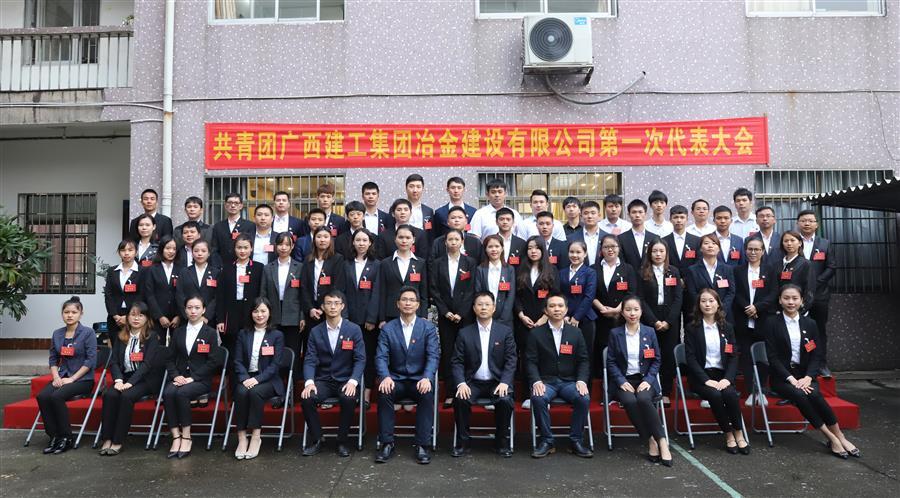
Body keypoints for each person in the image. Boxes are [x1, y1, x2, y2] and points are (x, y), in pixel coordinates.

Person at [763, 285, 859, 459]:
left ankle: (840, 436)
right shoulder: (771, 323)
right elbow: (773, 357)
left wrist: (808, 377)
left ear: (802, 301)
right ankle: (830, 437)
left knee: (814, 394)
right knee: (800, 395)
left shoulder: (810, 323)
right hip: (783, 378)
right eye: (786, 298)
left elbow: (816, 355)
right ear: (780, 300)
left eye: (795, 298)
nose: (790, 302)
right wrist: (791, 379)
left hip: (805, 375)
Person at [375, 287, 441, 465]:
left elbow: (433, 356)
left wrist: (427, 377)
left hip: (419, 379)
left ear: (418, 305)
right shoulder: (388, 328)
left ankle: (422, 445)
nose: (408, 303)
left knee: (427, 393)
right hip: (395, 379)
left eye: (412, 300)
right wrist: (385, 376)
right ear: (398, 304)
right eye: (404, 300)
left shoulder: (428, 328)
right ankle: (387, 443)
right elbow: (381, 356)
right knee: (384, 392)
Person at [606, 296, 673, 466]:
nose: (632, 313)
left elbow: (656, 360)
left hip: (645, 380)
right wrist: (621, 381)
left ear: (641, 311)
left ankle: (662, 441)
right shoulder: (615, 333)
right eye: (628, 309)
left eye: (636, 309)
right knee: (630, 401)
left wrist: (649, 380)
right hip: (624, 381)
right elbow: (611, 362)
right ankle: (650, 440)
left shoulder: (649, 332)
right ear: (622, 312)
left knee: (643, 399)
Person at [450, 292, 517, 458]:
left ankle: (501, 442)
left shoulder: (505, 332)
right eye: (480, 304)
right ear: (474, 308)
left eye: (487, 304)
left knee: (505, 400)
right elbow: (457, 361)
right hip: (473, 382)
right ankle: (463, 443)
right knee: (460, 399)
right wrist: (461, 383)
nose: (484, 307)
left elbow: (511, 360)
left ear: (494, 308)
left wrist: (505, 382)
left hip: (497, 381)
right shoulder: (465, 333)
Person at [300, 291, 366, 458]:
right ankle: (318, 439)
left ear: (342, 306)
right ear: (323, 307)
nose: (333, 306)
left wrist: (353, 381)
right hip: (324, 380)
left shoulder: (354, 329)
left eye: (336, 303)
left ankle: (342, 441)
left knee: (348, 398)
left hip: (346, 379)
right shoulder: (315, 331)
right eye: (329, 303)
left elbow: (360, 359)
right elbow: (309, 359)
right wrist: (309, 382)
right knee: (307, 398)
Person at [526, 294, 592, 458]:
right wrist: (536, 381)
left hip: (569, 382)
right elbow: (530, 361)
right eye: (552, 306)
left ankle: (576, 441)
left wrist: (581, 380)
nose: (557, 309)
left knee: (583, 398)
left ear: (566, 309)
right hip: (546, 381)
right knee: (538, 398)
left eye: (560, 306)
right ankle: (547, 441)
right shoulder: (536, 333)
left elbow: (583, 360)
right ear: (545, 310)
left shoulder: (576, 332)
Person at [683, 289, 748, 454]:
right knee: (715, 395)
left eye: (711, 301)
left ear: (718, 304)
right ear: (698, 305)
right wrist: (706, 380)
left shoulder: (727, 327)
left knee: (730, 394)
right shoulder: (692, 328)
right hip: (702, 377)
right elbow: (690, 358)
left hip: (722, 376)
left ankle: (739, 432)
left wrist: (728, 379)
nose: (707, 304)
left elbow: (733, 356)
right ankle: (728, 433)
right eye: (703, 301)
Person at [164, 296, 224, 459]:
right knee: (168, 393)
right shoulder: (179, 332)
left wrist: (194, 377)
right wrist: (176, 376)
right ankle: (176, 436)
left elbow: (213, 361)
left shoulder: (210, 333)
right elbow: (169, 359)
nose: (193, 311)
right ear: (185, 310)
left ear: (203, 310)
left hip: (200, 380)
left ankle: (186, 436)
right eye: (189, 307)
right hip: (180, 377)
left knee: (182, 393)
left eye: (197, 308)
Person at [99, 301, 163, 455]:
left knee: (126, 396)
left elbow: (147, 364)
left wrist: (131, 383)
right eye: (133, 315)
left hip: (145, 379)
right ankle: (107, 438)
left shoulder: (152, 337)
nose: (136, 318)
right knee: (109, 394)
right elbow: (114, 362)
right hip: (124, 378)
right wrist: (119, 380)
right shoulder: (120, 336)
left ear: (147, 318)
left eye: (141, 315)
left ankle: (117, 440)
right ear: (127, 317)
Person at [37, 297, 97, 454]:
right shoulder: (57, 333)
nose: (70, 315)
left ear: (81, 314)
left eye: (74, 312)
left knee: (56, 396)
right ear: (62, 314)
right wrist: (56, 377)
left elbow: (91, 360)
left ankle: (66, 437)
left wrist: (72, 379)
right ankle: (54, 436)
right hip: (62, 376)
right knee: (43, 396)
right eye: (66, 312)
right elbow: (53, 359)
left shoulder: (88, 333)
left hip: (82, 379)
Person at [231, 298, 285, 460]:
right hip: (247, 377)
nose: (259, 315)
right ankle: (242, 438)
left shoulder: (277, 335)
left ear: (270, 313)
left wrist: (257, 379)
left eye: (263, 311)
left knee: (255, 392)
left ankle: (256, 437)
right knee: (240, 392)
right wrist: (245, 378)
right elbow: (237, 361)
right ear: (251, 313)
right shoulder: (243, 334)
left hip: (268, 380)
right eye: (255, 311)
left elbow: (275, 365)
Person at [430, 229, 477, 404]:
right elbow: (434, 289)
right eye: (450, 239)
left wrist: (461, 313)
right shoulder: (437, 263)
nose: (453, 242)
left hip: (465, 315)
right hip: (446, 316)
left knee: (467, 351)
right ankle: (451, 392)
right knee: (448, 352)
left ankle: (468, 388)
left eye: (457, 239)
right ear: (445, 242)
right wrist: (445, 312)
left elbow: (472, 289)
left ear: (462, 241)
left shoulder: (470, 262)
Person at [637, 240, 683, 405]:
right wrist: (654, 321)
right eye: (654, 251)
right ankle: (650, 389)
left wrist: (669, 321)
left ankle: (666, 391)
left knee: (668, 355)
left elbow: (678, 298)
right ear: (649, 253)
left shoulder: (674, 271)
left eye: (661, 251)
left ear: (666, 253)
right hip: (650, 317)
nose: (658, 254)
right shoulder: (642, 272)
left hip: (670, 318)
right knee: (650, 354)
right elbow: (641, 299)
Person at [733, 238, 778, 406]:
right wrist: (747, 307)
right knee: (746, 357)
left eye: (757, 249)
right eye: (750, 249)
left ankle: (762, 391)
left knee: (763, 357)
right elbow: (735, 292)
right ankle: (751, 392)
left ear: (763, 251)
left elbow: (774, 293)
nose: (753, 252)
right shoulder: (737, 270)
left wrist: (757, 307)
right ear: (745, 250)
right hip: (743, 319)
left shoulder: (770, 270)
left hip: (764, 319)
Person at [796, 209, 837, 377]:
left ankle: (821, 363)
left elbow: (831, 267)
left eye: (810, 221)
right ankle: (800, 364)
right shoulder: (792, 241)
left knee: (819, 330)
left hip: (820, 296)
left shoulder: (824, 244)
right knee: (797, 330)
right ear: (798, 223)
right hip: (796, 297)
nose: (807, 223)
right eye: (803, 220)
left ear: (816, 224)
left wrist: (815, 283)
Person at [514, 236, 560, 379]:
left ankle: (544, 388)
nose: (533, 251)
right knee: (526, 356)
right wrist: (521, 315)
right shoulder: (520, 269)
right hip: (524, 321)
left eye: (537, 248)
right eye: (530, 248)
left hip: (545, 320)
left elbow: (555, 295)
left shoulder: (552, 270)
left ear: (543, 250)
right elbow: (515, 296)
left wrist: (545, 317)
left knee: (544, 355)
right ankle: (527, 390)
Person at [343, 228, 380, 402]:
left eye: (365, 240)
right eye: (358, 240)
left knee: (368, 355)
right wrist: (344, 317)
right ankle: (352, 389)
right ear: (353, 242)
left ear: (370, 243)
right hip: (349, 318)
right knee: (350, 355)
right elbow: (341, 291)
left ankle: (366, 392)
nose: (361, 243)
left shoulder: (377, 264)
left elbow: (377, 293)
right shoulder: (346, 264)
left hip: (368, 321)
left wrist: (372, 318)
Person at [260, 232, 305, 375]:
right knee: (273, 350)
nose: (283, 248)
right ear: (275, 246)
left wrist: (302, 316)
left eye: (287, 244)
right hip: (273, 314)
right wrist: (264, 315)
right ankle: (274, 380)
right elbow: (263, 293)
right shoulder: (268, 268)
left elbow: (304, 294)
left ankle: (292, 381)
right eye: (280, 244)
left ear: (292, 247)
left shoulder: (300, 267)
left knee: (293, 350)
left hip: (293, 315)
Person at [216, 234, 264, 359]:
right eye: (239, 247)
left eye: (246, 247)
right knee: (231, 345)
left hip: (251, 311)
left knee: (249, 345)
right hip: (231, 312)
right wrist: (220, 319)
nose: (242, 251)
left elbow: (262, 293)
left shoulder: (259, 268)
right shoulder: (226, 268)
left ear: (251, 248)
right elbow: (220, 295)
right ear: (234, 249)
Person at [300, 226, 347, 350]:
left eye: (326, 237)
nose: (322, 240)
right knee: (310, 345)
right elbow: (303, 286)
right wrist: (310, 308)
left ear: (330, 240)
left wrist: (323, 307)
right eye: (319, 237)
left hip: (329, 309)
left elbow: (337, 286)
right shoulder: (308, 259)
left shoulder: (337, 259)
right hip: (311, 310)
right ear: (314, 239)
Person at [592, 235, 639, 356]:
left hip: (621, 316)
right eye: (606, 247)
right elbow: (591, 293)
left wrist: (618, 309)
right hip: (600, 315)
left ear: (619, 248)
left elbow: (631, 292)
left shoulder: (628, 268)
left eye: (613, 246)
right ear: (601, 249)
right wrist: (602, 308)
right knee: (601, 349)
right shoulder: (593, 268)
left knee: (621, 348)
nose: (610, 249)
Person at [375, 225, 428, 326]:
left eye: (408, 238)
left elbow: (423, 292)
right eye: (400, 237)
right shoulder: (385, 263)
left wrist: (424, 315)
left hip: (414, 314)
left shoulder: (420, 263)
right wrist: (382, 318)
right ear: (395, 239)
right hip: (390, 314)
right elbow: (382, 291)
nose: (404, 241)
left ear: (413, 240)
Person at [559, 241, 598, 377]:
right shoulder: (562, 272)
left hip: (585, 319)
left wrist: (576, 317)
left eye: (578, 252)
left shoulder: (590, 272)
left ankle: (585, 383)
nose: (574, 255)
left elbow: (589, 297)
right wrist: (565, 315)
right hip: (565, 319)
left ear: (585, 254)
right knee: (567, 352)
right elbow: (560, 295)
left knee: (585, 353)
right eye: (572, 252)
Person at [685, 234, 736, 323]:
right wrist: (706, 309)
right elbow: (692, 293)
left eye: (714, 243)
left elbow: (731, 292)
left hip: (724, 315)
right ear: (700, 248)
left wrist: (721, 309)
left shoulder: (727, 269)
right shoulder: (692, 270)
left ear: (719, 248)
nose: (710, 246)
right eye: (706, 243)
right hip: (701, 316)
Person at [143, 236, 183, 341]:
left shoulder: (182, 270)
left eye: (174, 249)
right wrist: (160, 316)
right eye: (168, 248)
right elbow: (149, 294)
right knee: (156, 346)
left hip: (177, 317)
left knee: (177, 346)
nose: (171, 251)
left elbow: (184, 293)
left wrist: (179, 315)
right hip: (157, 316)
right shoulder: (152, 269)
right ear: (161, 249)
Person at [474, 234, 516, 329]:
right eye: (490, 247)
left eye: (497, 246)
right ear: (485, 249)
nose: (494, 250)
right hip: (484, 315)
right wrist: (486, 312)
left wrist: (504, 317)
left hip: (506, 318)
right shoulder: (480, 269)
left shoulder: (509, 269)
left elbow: (511, 295)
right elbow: (478, 292)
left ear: (502, 248)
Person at [104, 239, 143, 338]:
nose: (126, 253)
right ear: (119, 252)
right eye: (123, 250)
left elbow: (143, 295)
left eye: (130, 250)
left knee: (134, 345)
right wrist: (115, 316)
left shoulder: (143, 271)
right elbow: (108, 294)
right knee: (116, 345)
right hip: (115, 317)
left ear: (136, 252)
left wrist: (129, 316)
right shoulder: (112, 271)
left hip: (136, 316)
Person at [175, 239, 218, 327]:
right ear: (192, 253)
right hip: (187, 319)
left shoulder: (216, 273)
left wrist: (206, 316)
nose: (199, 253)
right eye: (196, 251)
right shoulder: (184, 272)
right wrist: (188, 315)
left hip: (208, 320)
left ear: (209, 253)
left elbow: (217, 297)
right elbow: (179, 295)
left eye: (203, 251)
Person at [210, 192, 255, 266]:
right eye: (230, 202)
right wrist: (217, 266)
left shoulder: (249, 225)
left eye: (236, 203)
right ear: (225, 205)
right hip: (222, 266)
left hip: (242, 266)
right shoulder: (218, 226)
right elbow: (214, 249)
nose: (233, 205)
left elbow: (251, 248)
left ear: (241, 206)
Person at [776, 230, 816, 310]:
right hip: (778, 307)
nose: (789, 243)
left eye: (792, 240)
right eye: (786, 241)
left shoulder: (805, 264)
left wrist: (803, 308)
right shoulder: (777, 263)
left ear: (800, 243)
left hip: (796, 308)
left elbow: (809, 290)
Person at [618, 199, 659, 270]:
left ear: (645, 214)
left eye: (640, 212)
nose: (637, 215)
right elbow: (621, 262)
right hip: (629, 275)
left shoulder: (655, 238)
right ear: (628, 215)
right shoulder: (621, 238)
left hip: (651, 275)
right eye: (634, 212)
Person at [566, 200, 609, 266]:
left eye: (593, 213)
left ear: (599, 216)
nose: (589, 216)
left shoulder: (607, 237)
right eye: (586, 213)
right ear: (581, 216)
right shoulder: (571, 238)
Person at [662, 205, 701, 272]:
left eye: (682, 217)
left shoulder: (697, 241)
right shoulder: (663, 241)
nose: (679, 220)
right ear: (670, 219)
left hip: (691, 276)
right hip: (670, 276)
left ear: (687, 219)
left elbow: (698, 262)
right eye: (675, 217)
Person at [404, 174, 436, 243]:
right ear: (406, 188)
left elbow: (430, 233)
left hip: (423, 246)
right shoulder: (398, 209)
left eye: (418, 187)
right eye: (411, 186)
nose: (415, 190)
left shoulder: (428, 211)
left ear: (422, 189)